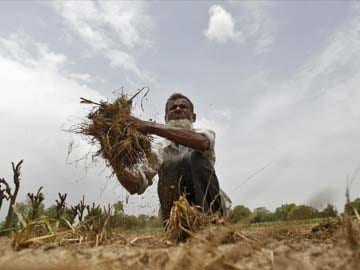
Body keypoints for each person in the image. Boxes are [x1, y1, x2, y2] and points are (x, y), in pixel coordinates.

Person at [127, 93, 231, 221]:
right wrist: (113, 158)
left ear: (193, 117)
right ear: (166, 118)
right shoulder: (159, 148)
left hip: (209, 210)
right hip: (176, 219)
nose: (177, 109)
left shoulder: (204, 134)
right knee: (170, 163)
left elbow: (202, 143)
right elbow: (135, 186)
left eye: (183, 106)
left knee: (194, 157)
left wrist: (150, 127)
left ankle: (212, 222)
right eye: (173, 108)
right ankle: (177, 225)